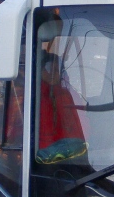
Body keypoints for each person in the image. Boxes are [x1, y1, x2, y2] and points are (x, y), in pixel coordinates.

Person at [36, 23, 87, 164]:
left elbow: (81, 130)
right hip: (41, 164)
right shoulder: (32, 97)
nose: (53, 73)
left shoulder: (68, 95)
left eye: (57, 69)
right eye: (47, 68)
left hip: (75, 160)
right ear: (40, 71)